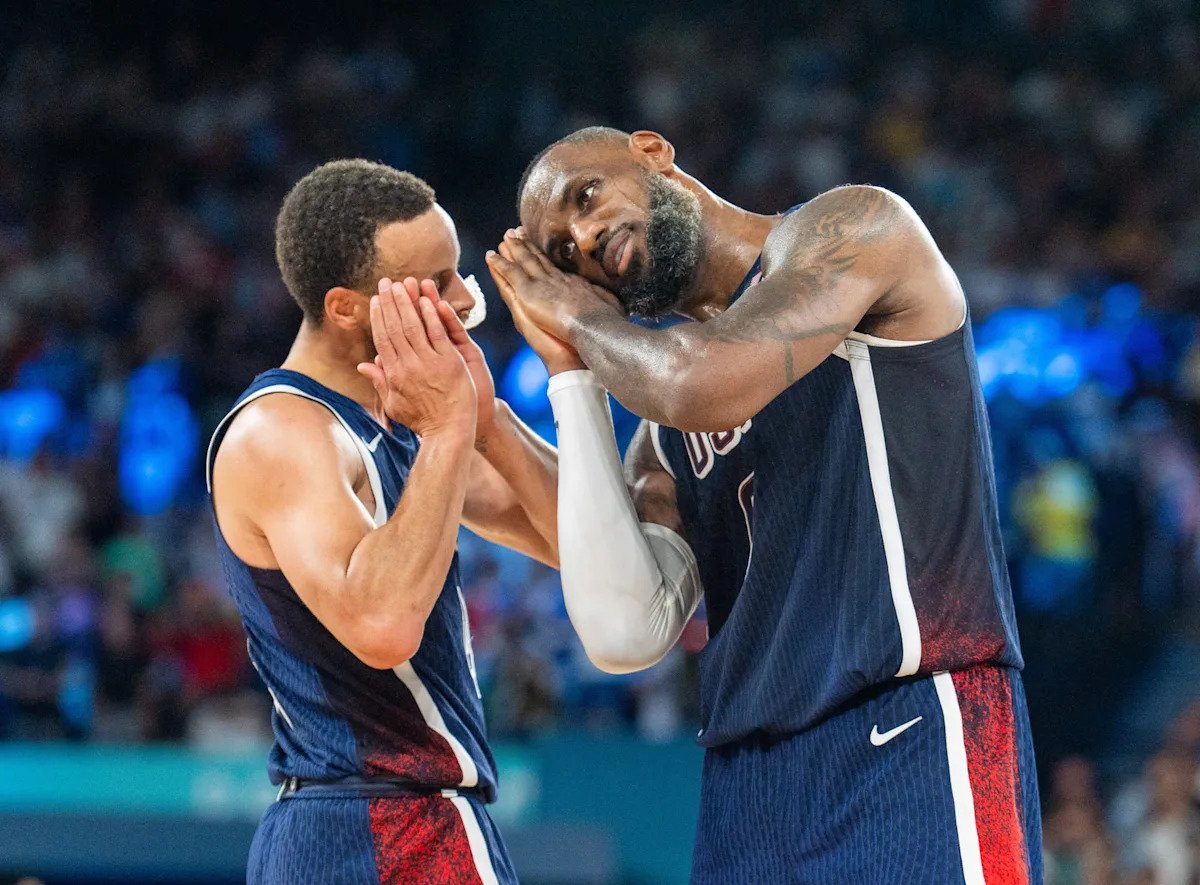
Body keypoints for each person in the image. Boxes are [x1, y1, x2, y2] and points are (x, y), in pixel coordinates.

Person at [487, 127, 1042, 883]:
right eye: (562, 256)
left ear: (652, 151)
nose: (584, 239)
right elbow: (624, 625)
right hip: (747, 784)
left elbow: (698, 382)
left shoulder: (854, 228)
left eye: (587, 196)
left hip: (909, 723)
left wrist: (578, 319)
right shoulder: (661, 439)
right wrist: (556, 383)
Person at [208, 159, 573, 884]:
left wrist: (488, 422)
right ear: (347, 308)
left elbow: (583, 545)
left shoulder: (399, 423)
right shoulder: (284, 431)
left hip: (395, 820)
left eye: (457, 269)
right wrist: (447, 431)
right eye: (436, 282)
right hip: (374, 821)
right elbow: (381, 624)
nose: (465, 298)